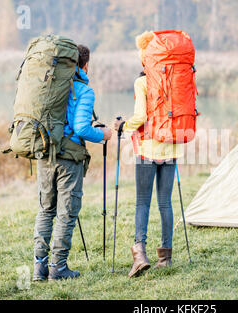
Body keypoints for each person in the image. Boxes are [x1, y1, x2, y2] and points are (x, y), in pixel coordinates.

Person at [33, 44, 112, 281]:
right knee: (66, 213)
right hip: (69, 159)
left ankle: (39, 268)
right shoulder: (84, 91)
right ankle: (58, 268)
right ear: (84, 65)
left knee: (46, 210)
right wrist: (104, 135)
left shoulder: (48, 86)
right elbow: (80, 128)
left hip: (45, 154)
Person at [114, 31, 182, 278]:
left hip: (147, 149)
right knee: (165, 202)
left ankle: (139, 255)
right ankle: (166, 258)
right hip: (172, 148)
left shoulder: (142, 82)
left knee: (143, 201)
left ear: (145, 59)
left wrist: (123, 127)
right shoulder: (176, 80)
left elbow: (141, 117)